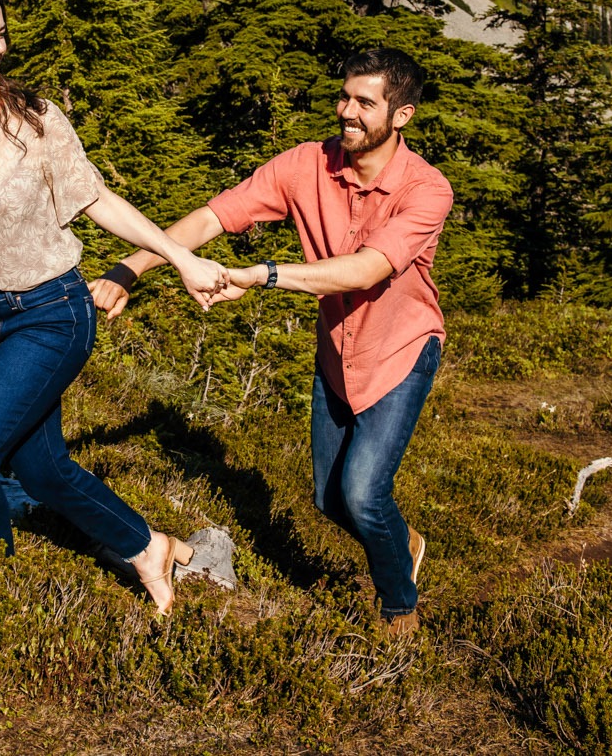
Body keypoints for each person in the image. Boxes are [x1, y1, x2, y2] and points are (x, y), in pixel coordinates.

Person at [0, 0, 231, 614]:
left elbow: (96, 199)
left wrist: (177, 257)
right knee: (40, 470)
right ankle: (152, 548)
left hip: (51, 313)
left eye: (1, 34)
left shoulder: (31, 118)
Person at [90, 47, 452, 637]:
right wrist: (130, 270)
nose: (347, 111)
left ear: (402, 115)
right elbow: (212, 217)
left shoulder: (427, 190)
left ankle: (399, 609)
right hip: (337, 353)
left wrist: (264, 275)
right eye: (345, 96)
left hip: (401, 351)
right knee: (329, 500)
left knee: (362, 494)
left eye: (365, 103)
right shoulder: (304, 165)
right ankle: (400, 538)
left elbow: (365, 270)